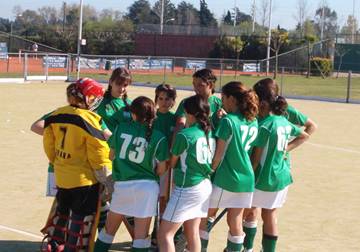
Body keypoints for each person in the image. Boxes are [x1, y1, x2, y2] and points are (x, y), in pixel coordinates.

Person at [242, 78, 317, 252]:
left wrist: (285, 150)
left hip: (264, 173)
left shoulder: (276, 118)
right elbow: (304, 135)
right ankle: (253, 248)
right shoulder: (277, 119)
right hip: (279, 174)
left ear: (263, 101)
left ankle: (245, 247)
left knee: (251, 211)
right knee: (264, 213)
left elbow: (311, 128)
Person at [42, 78, 113, 252]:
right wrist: (107, 180)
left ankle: (54, 244)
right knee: (81, 219)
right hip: (84, 181)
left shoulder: (57, 114)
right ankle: (71, 248)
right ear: (87, 98)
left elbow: (49, 145)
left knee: (63, 211)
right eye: (95, 98)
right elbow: (98, 155)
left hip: (62, 176)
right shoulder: (90, 119)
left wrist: (59, 162)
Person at [94, 96, 169, 252]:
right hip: (148, 188)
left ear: (133, 114)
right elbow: (162, 169)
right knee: (141, 237)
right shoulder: (159, 136)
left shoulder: (121, 128)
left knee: (108, 231)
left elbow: (111, 155)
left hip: (123, 185)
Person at [199, 82, 259, 252]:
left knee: (206, 216)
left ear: (232, 99)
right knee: (235, 220)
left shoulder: (228, 121)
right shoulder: (252, 120)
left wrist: (208, 170)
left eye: (223, 98)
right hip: (246, 179)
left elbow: (219, 155)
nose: (222, 101)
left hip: (227, 177)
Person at [158, 95, 215, 252]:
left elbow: (173, 161)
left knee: (165, 234)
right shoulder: (208, 133)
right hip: (204, 185)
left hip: (188, 188)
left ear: (190, 113)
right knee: (192, 232)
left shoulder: (185, 135)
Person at [153, 84, 177, 212]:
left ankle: (160, 228)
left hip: (167, 164)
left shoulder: (175, 119)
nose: (163, 102)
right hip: (150, 162)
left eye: (167, 99)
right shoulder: (151, 117)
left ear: (173, 101)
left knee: (164, 198)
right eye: (160, 98)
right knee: (150, 198)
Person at [174, 68, 222, 133]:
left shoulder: (220, 104)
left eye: (200, 85)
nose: (195, 88)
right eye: (194, 84)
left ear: (210, 85)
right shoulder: (187, 103)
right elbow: (180, 125)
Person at [97, 67, 132, 132]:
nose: (122, 89)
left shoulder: (131, 104)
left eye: (125, 85)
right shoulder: (98, 102)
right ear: (110, 82)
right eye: (118, 84)